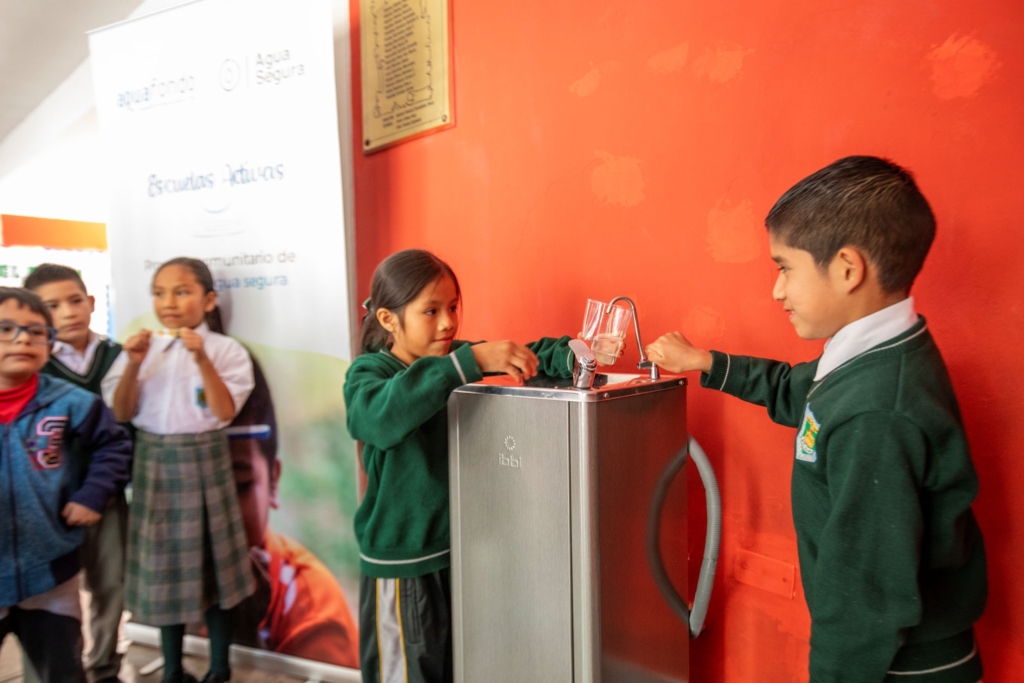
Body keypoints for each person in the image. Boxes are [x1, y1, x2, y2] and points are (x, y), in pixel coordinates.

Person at [647, 156, 987, 683]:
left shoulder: (875, 411)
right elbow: (794, 389)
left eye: (785, 268)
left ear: (848, 269)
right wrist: (707, 363)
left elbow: (866, 593)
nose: (778, 290)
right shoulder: (873, 353)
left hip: (898, 665)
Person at [345, 249, 620, 683]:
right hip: (405, 568)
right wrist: (467, 363)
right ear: (387, 319)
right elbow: (379, 419)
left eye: (453, 307)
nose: (447, 322)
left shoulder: (453, 361)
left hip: (463, 558)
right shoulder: (371, 373)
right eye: (430, 311)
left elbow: (523, 354)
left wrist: (578, 355)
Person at [102, 258, 255, 683]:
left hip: (206, 460)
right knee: (164, 570)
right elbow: (122, 410)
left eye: (181, 291)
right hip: (154, 462)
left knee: (215, 570)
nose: (168, 302)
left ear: (208, 300)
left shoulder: (227, 351)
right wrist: (133, 362)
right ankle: (172, 668)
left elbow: (223, 413)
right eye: (159, 292)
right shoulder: (138, 349)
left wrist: (201, 358)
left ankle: (220, 667)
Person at [0, 287, 132, 683]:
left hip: (52, 575)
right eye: (6, 329)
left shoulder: (72, 401)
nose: (24, 339)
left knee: (60, 669)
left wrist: (92, 495)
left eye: (37, 332)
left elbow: (114, 445)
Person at [227, 356, 360, 667]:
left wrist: (247, 628)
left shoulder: (311, 605)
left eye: (240, 485)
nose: (218, 511)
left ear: (273, 480)